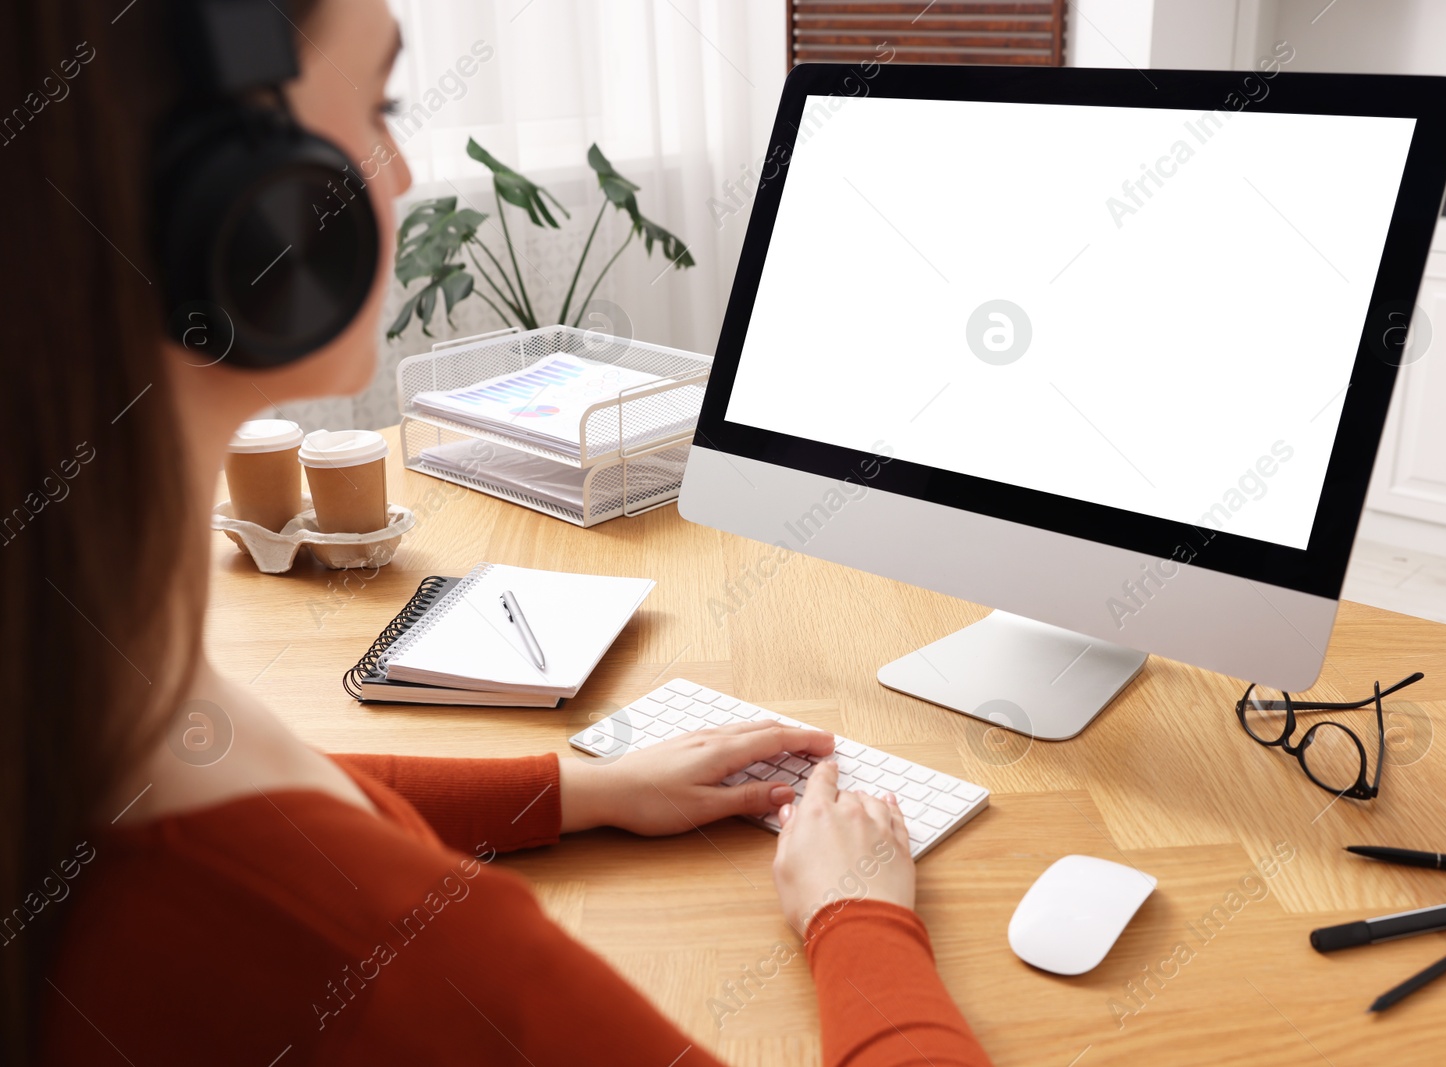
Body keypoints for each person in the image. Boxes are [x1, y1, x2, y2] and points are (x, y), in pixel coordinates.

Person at [0, 2, 994, 1064]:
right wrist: (859, 914)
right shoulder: (390, 961)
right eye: (380, 106)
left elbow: (268, 785)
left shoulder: (76, 719)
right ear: (233, 197)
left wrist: (584, 790)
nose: (402, 174)